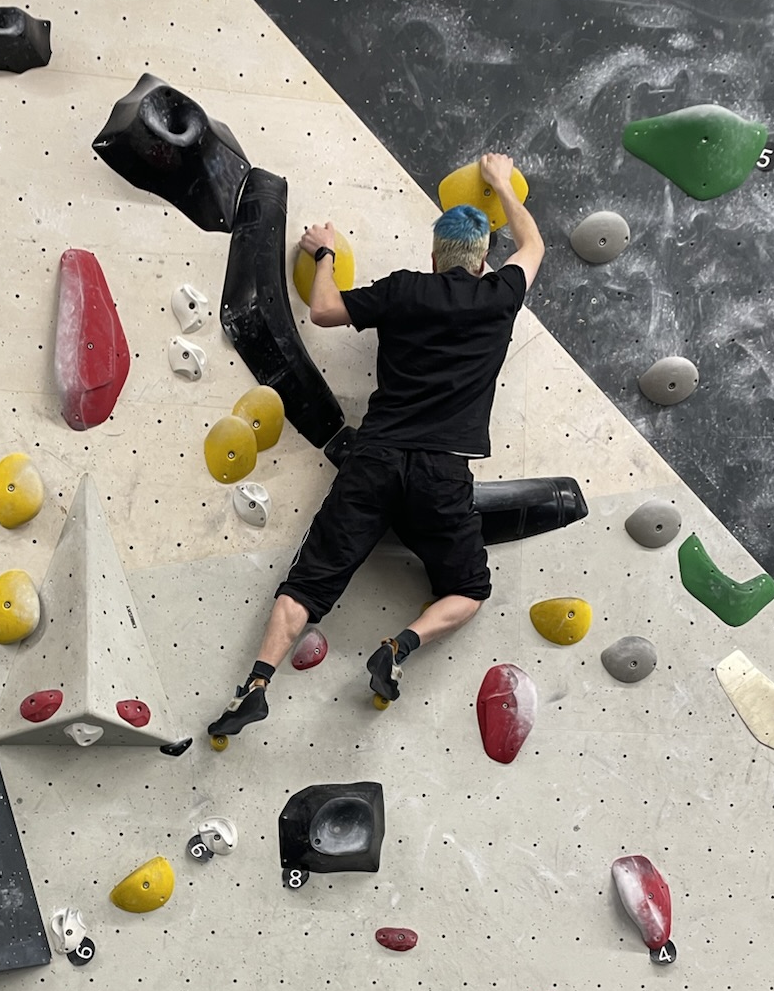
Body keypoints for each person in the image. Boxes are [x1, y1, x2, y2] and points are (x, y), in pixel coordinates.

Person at [207, 151, 544, 743]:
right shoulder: (499, 297)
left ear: (434, 256)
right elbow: (533, 244)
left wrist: (325, 252)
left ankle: (254, 686)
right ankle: (398, 647)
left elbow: (323, 309)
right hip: (442, 474)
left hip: (376, 459)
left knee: (308, 583)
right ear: (482, 260)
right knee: (469, 590)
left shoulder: (404, 289)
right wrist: (499, 183)